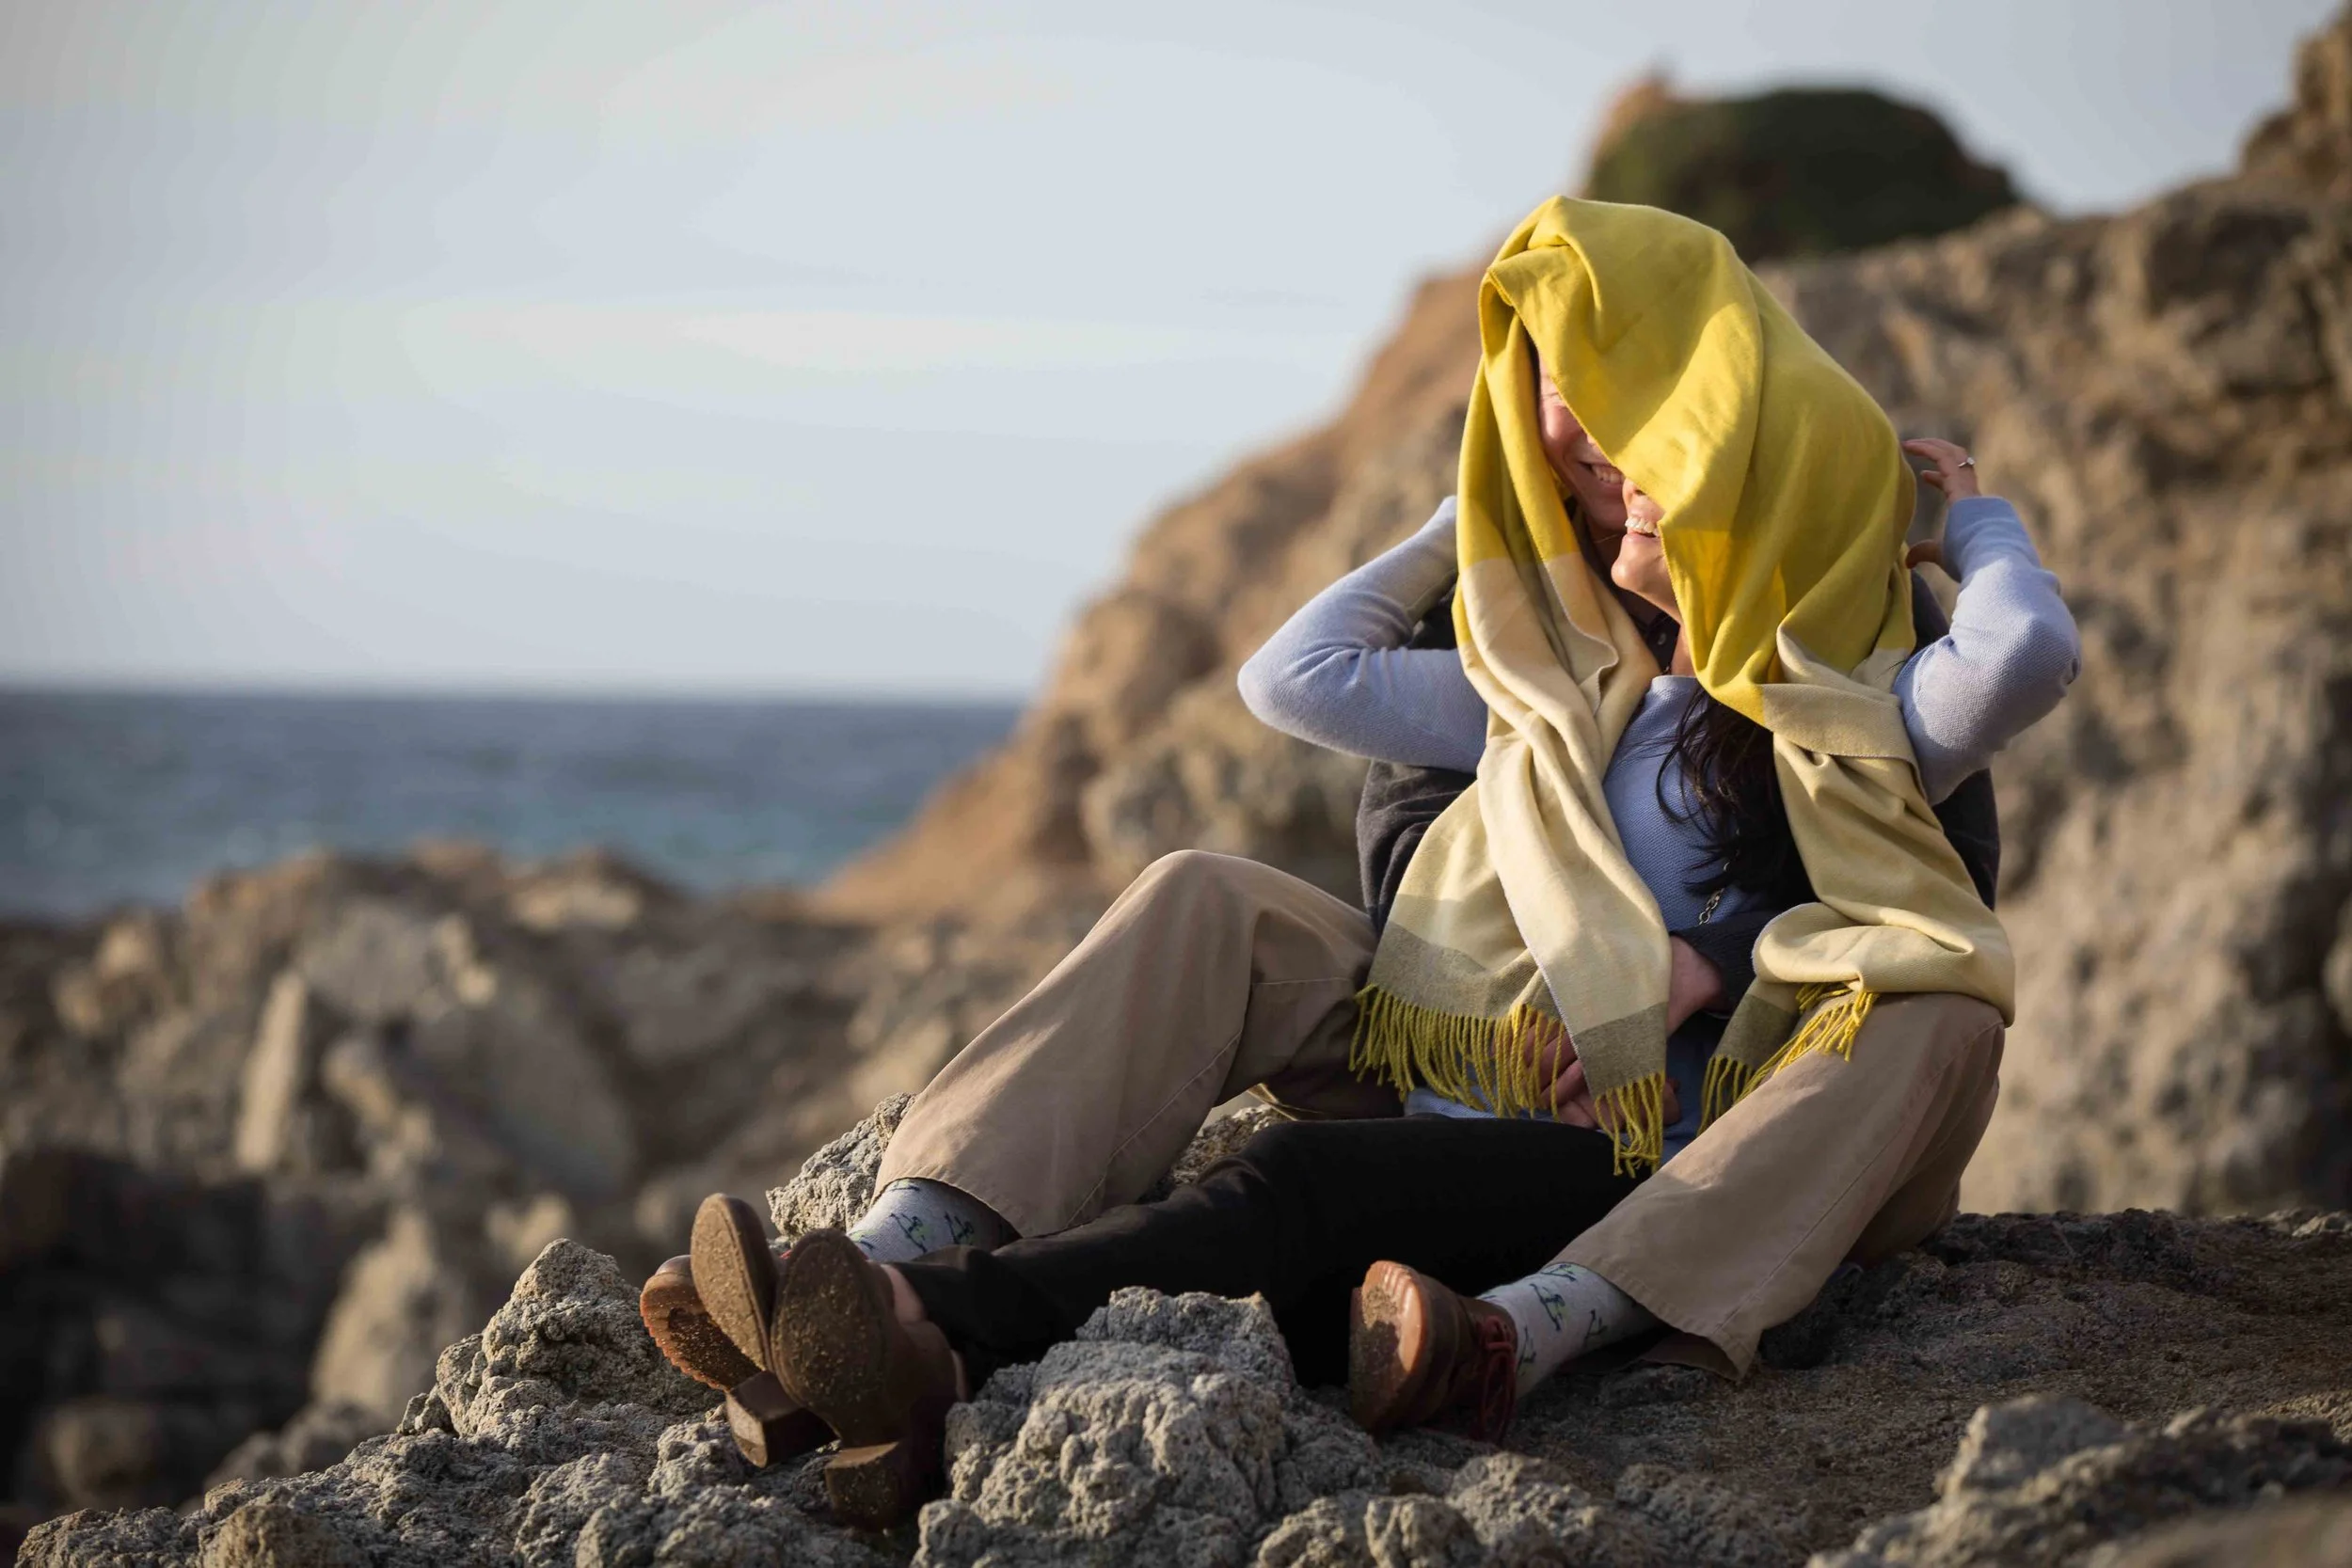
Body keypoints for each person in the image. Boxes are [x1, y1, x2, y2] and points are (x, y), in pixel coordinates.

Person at [647, 197, 2079, 1528]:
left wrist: (1964, 522)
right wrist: (1485, 503)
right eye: (1567, 441)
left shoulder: (1864, 711)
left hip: (1641, 1143)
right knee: (1203, 893)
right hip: (1477, 1051)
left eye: (1645, 458)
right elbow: (1299, 676)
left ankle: (936, 1335)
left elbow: (2024, 653)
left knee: (1310, 1183)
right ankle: (888, 1256)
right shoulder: (1564, 675)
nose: (1609, 477)